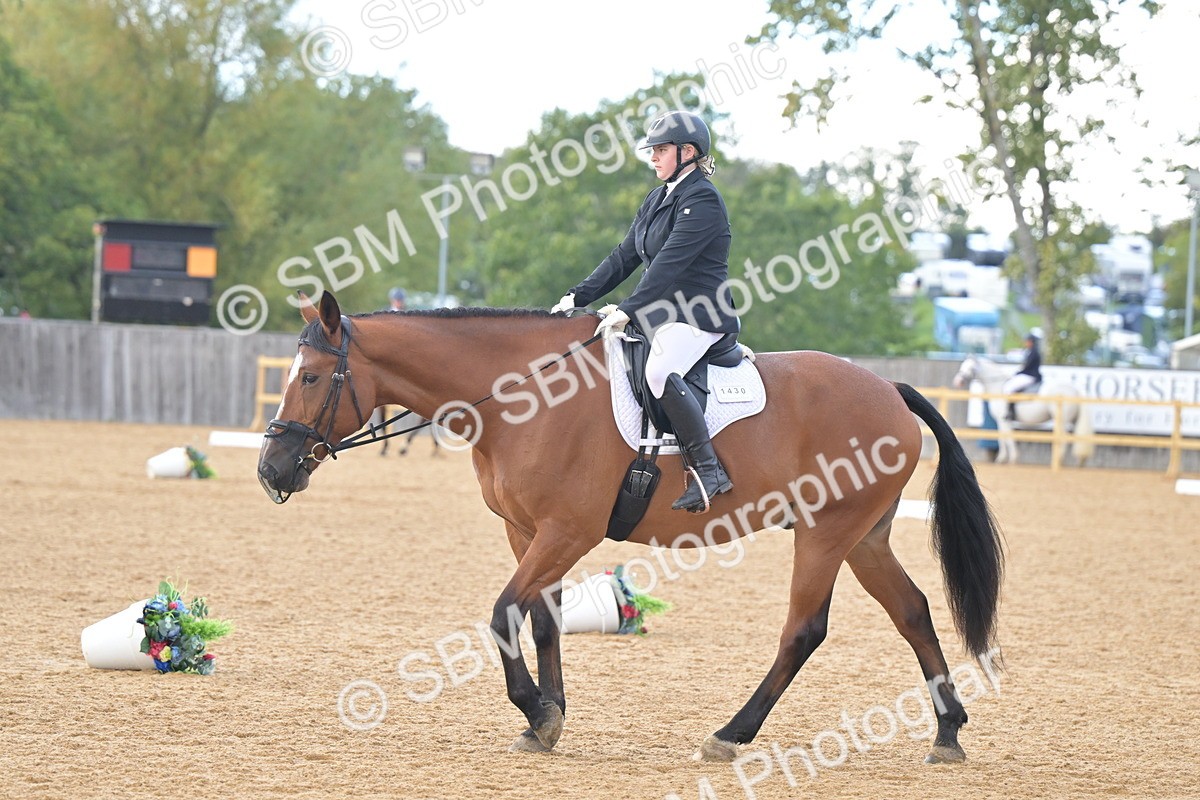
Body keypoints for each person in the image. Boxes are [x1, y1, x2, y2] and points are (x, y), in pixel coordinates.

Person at [551, 110, 738, 514]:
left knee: (658, 372)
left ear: (688, 152)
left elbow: (671, 263)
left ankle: (709, 471)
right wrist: (577, 295)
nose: (653, 157)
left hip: (700, 315)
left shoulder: (702, 200)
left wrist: (629, 309)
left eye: (661, 150)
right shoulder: (658, 198)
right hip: (666, 314)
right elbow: (623, 256)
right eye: (652, 150)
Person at [1004, 330, 1043, 421]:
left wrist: (1019, 373)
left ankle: (1011, 412)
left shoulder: (1034, 353)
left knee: (1009, 387)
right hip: (1028, 374)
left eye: (1027, 341)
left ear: (1031, 342)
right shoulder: (1030, 351)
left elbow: (1027, 366)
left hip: (1031, 376)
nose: (1026, 343)